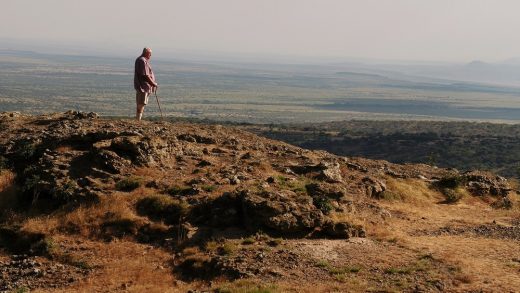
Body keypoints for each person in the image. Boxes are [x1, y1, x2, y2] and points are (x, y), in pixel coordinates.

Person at [134, 47, 158, 121]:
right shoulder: (142, 61)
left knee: (142, 103)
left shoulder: (142, 60)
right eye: (150, 54)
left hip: (144, 86)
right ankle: (138, 120)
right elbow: (146, 75)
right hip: (143, 86)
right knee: (141, 103)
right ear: (147, 53)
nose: (150, 56)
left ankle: (138, 119)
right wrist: (153, 83)